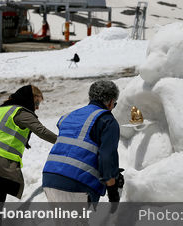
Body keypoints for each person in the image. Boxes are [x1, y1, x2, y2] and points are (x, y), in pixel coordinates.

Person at [0, 85, 57, 225]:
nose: (37, 107)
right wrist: (63, 142)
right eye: (36, 103)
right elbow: (41, 131)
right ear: (30, 99)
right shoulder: (20, 112)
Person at [42, 80, 123, 208]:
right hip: (76, 184)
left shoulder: (69, 116)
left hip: (49, 177)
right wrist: (112, 190)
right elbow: (107, 157)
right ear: (110, 102)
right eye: (114, 104)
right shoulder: (107, 121)